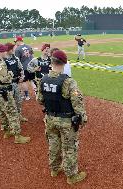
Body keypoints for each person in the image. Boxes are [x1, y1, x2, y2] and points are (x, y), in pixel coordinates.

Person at [36, 50, 87, 185]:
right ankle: (71, 176)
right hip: (65, 121)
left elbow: (40, 100)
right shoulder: (68, 82)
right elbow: (78, 104)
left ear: (51, 62)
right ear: (64, 63)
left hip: (50, 118)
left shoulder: (43, 79)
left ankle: (54, 169)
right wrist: (82, 119)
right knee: (69, 147)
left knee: (53, 144)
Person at [0, 44, 30, 144]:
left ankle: (7, 131)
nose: (5, 53)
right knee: (12, 112)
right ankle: (17, 136)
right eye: (3, 51)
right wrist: (11, 74)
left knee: (2, 112)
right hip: (4, 91)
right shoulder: (0, 63)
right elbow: (4, 79)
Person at [4, 42, 28, 122]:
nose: (14, 50)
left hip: (16, 83)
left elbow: (20, 68)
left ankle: (19, 115)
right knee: (9, 103)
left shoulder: (15, 58)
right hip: (7, 85)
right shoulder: (2, 60)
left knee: (18, 100)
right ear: (8, 49)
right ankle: (10, 119)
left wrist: (22, 76)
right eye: (13, 48)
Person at [14, 36, 35, 100]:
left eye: (16, 42)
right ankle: (37, 94)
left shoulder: (17, 49)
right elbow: (32, 56)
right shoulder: (29, 46)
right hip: (31, 66)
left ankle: (27, 96)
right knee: (32, 81)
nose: (15, 43)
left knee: (23, 81)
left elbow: (17, 60)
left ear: (19, 41)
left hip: (24, 67)